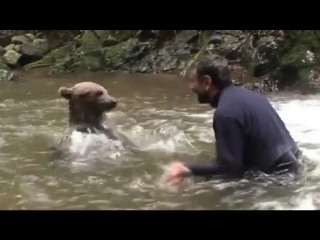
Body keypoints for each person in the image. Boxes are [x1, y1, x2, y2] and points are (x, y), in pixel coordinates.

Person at [166, 54, 302, 186]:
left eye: (193, 81)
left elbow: (229, 169)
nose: (191, 86)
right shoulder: (252, 97)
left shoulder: (225, 113)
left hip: (281, 180)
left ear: (207, 82)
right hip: (296, 164)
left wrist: (187, 169)